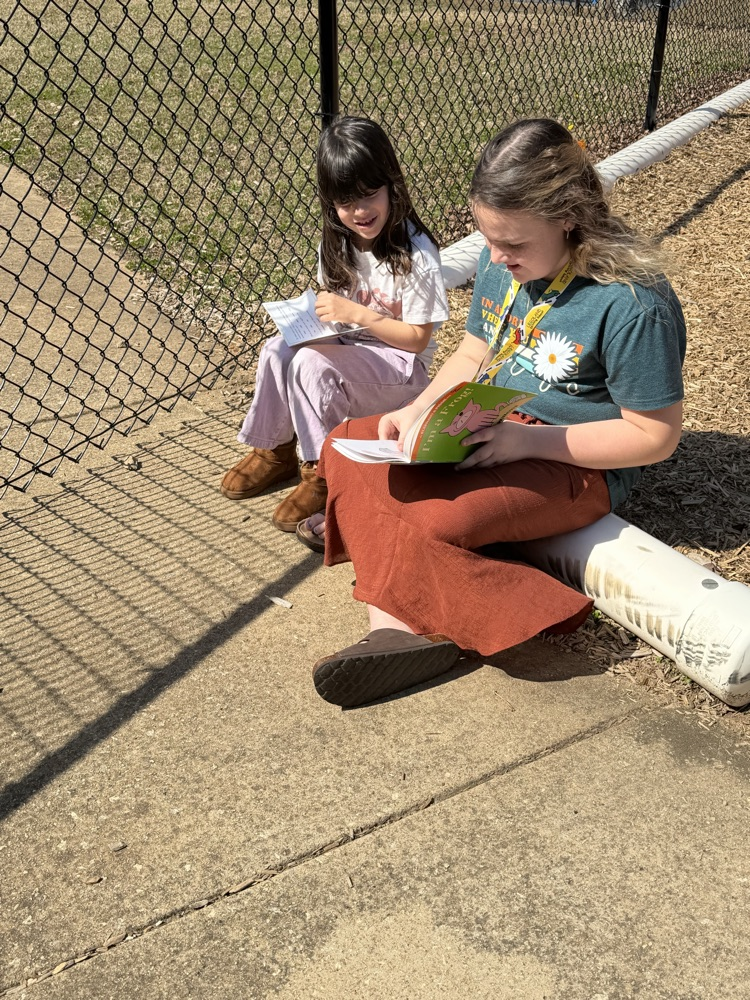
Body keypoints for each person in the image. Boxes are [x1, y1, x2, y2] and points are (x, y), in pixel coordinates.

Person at [300, 118, 687, 708]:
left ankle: (405, 629)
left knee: (432, 520)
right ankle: (423, 587)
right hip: (489, 423)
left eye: (514, 245)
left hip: (573, 456)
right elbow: (475, 350)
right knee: (342, 445)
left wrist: (525, 444)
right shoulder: (500, 260)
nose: (498, 257)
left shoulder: (633, 303)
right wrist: (417, 408)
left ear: (569, 217)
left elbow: (654, 437)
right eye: (489, 239)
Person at [220, 116, 449, 532]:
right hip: (352, 346)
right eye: (347, 202)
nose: (360, 211)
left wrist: (358, 315)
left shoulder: (414, 252)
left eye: (369, 195)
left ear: (391, 184)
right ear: (330, 202)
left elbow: (417, 340)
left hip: (400, 370)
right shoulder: (339, 239)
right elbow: (335, 306)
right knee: (277, 349)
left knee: (310, 366)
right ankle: (275, 451)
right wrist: (316, 318)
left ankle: (324, 473)